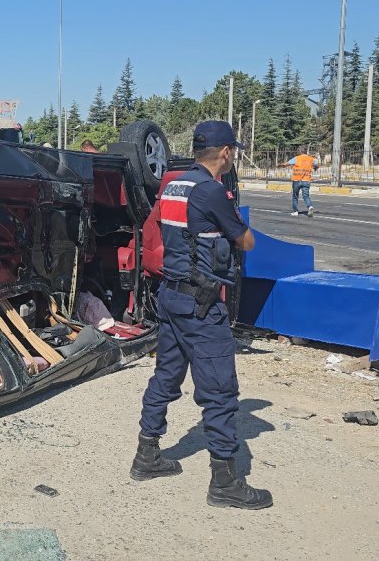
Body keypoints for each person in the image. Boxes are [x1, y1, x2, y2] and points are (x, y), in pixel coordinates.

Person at [131, 120, 272, 510]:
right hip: (202, 305)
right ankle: (225, 483)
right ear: (225, 153)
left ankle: (147, 455)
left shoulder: (174, 185)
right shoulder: (212, 191)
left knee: (165, 377)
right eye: (234, 151)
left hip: (171, 297)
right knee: (220, 391)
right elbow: (247, 241)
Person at [280, 150, 318, 217]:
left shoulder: (297, 158)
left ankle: (295, 211)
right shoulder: (311, 159)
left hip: (297, 180)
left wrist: (280, 165)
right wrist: (315, 168)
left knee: (295, 196)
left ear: (300, 152)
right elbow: (316, 165)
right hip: (306, 180)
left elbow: (286, 164)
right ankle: (310, 207)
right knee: (306, 196)